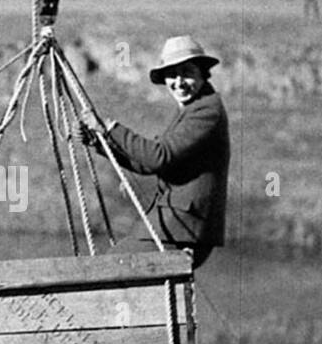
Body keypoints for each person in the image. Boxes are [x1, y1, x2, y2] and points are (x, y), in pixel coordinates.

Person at [80, 35, 230, 269]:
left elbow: (157, 157)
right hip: (176, 225)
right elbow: (147, 164)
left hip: (185, 230)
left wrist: (110, 128)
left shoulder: (206, 112)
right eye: (172, 74)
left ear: (202, 73)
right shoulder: (192, 109)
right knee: (107, 267)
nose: (178, 82)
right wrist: (100, 142)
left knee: (106, 269)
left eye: (187, 72)